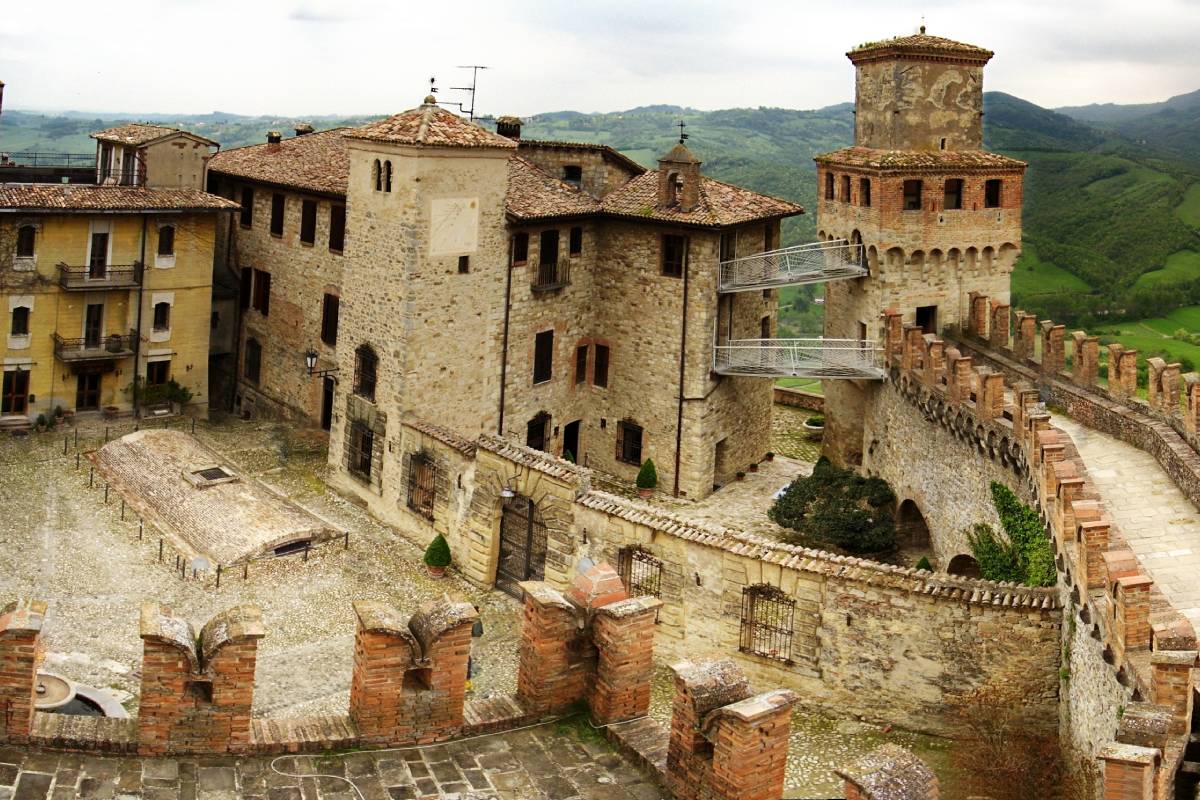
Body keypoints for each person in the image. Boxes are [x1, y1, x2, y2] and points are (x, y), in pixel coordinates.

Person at [466, 605, 484, 692]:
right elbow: (479, 633)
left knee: (469, 657)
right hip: (473, 639)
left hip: (472, 639)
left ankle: (467, 683)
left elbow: (477, 633)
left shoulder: (475, 621)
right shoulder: (476, 620)